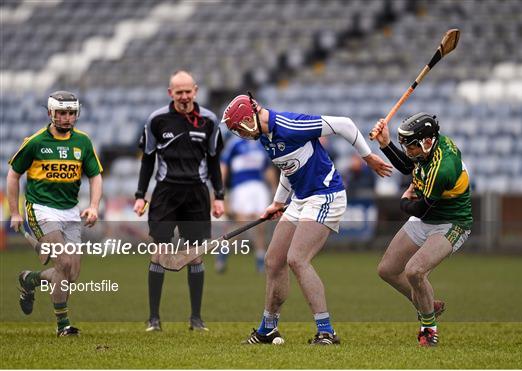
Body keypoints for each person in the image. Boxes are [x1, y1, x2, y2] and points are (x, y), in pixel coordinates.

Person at [221, 94, 392, 345]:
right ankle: (268, 329)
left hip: (326, 195)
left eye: (238, 127)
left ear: (249, 119)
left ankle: (326, 332)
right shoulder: (264, 137)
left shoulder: (290, 125)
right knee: (273, 260)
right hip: (300, 198)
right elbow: (289, 168)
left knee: (297, 259)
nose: (239, 134)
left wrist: (368, 157)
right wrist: (278, 203)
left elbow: (344, 124)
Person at [133, 70, 225, 332]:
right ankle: (154, 318)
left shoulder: (209, 120)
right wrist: (140, 195)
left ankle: (196, 318)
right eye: (179, 92)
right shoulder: (157, 120)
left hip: (197, 193)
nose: (184, 96)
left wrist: (219, 196)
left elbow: (214, 160)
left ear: (195, 91)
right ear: (170, 93)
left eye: (188, 91)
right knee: (159, 252)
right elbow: (148, 158)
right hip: (165, 192)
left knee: (194, 256)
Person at [371, 113, 473, 347]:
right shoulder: (430, 146)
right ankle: (427, 303)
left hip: (451, 222)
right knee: (387, 270)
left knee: (414, 271)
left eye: (411, 146)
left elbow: (419, 208)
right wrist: (386, 144)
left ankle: (429, 328)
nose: (408, 150)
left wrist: (403, 202)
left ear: (427, 141)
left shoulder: (443, 168)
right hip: (428, 218)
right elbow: (410, 166)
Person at [7, 90, 103, 337]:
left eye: (71, 113)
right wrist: (15, 212)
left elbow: (95, 176)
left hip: (70, 211)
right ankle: (63, 326)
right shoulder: (36, 142)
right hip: (41, 208)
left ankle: (30, 280)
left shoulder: (83, 142)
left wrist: (93, 206)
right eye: (61, 113)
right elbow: (13, 174)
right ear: (50, 113)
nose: (66, 118)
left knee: (70, 273)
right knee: (64, 261)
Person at [217, 136, 277, 274]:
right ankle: (223, 253)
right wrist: (220, 189)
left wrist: (274, 189)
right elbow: (224, 165)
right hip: (241, 187)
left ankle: (260, 260)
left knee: (261, 225)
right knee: (241, 225)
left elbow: (267, 168)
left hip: (259, 188)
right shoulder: (235, 143)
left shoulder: (262, 144)